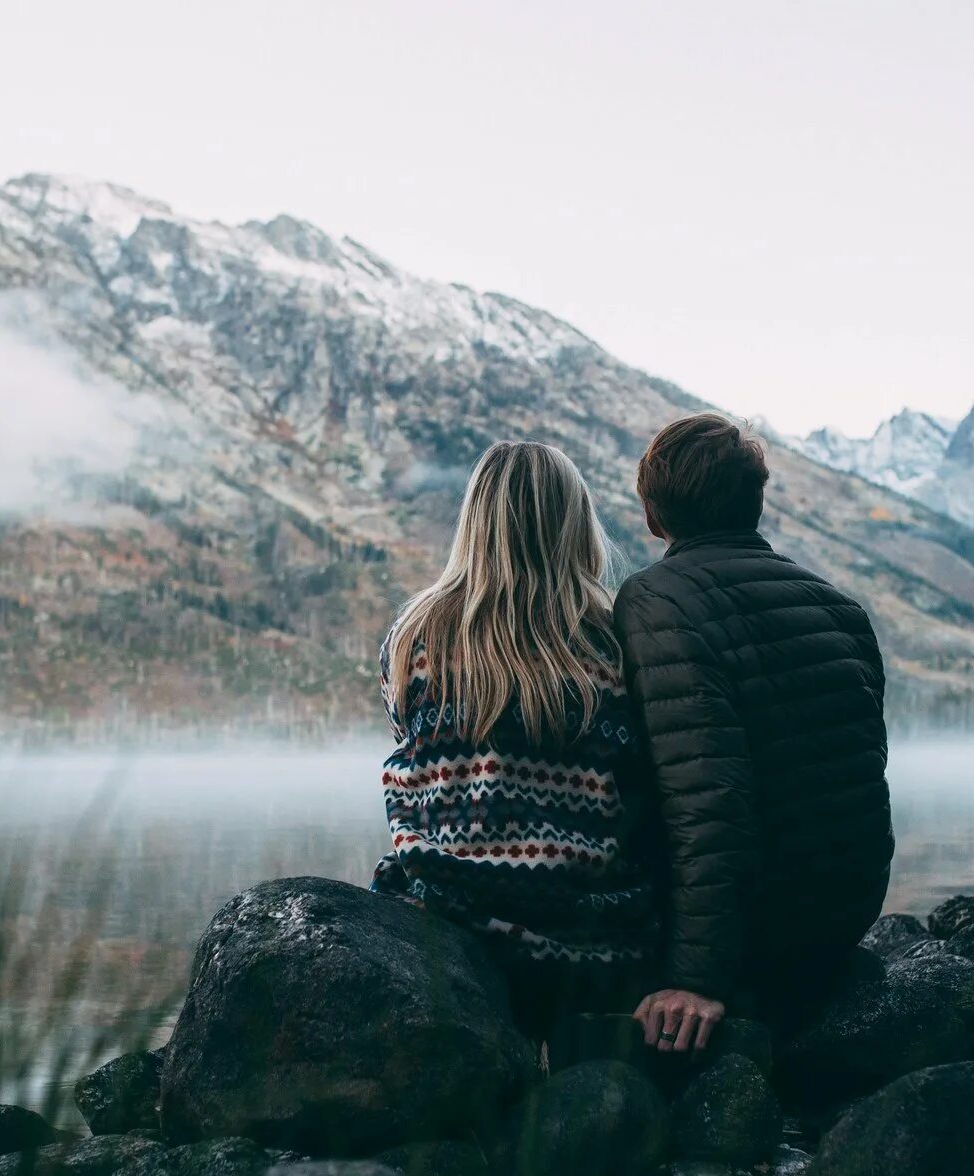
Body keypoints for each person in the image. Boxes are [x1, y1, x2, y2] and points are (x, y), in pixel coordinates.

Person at [615, 413, 893, 1053]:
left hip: (758, 940)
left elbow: (708, 802)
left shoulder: (656, 601)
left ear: (653, 516)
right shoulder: (839, 607)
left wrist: (694, 979)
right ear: (756, 504)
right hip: (843, 917)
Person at [371, 440, 658, 1045]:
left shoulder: (414, 636)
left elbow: (413, 754)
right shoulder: (615, 638)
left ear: (475, 521)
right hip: (589, 936)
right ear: (574, 523)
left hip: (446, 916)